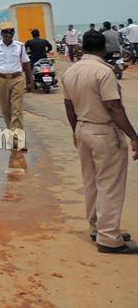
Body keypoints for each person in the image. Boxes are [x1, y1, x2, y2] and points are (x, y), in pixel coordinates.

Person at [62, 31, 138, 254]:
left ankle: (98, 228)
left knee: (92, 182)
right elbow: (113, 107)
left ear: (82, 47)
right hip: (103, 131)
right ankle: (109, 238)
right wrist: (134, 136)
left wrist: (75, 130)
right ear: (103, 48)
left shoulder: (71, 71)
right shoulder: (103, 72)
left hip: (83, 128)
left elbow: (68, 107)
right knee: (110, 185)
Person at [0, 28, 33, 151]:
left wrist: (31, 81)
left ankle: (18, 141)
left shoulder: (20, 46)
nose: (8, 35)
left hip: (17, 79)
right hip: (1, 79)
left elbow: (26, 64)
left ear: (13, 34)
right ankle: (13, 136)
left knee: (17, 110)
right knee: (6, 111)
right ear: (2, 34)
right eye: (5, 33)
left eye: (10, 33)